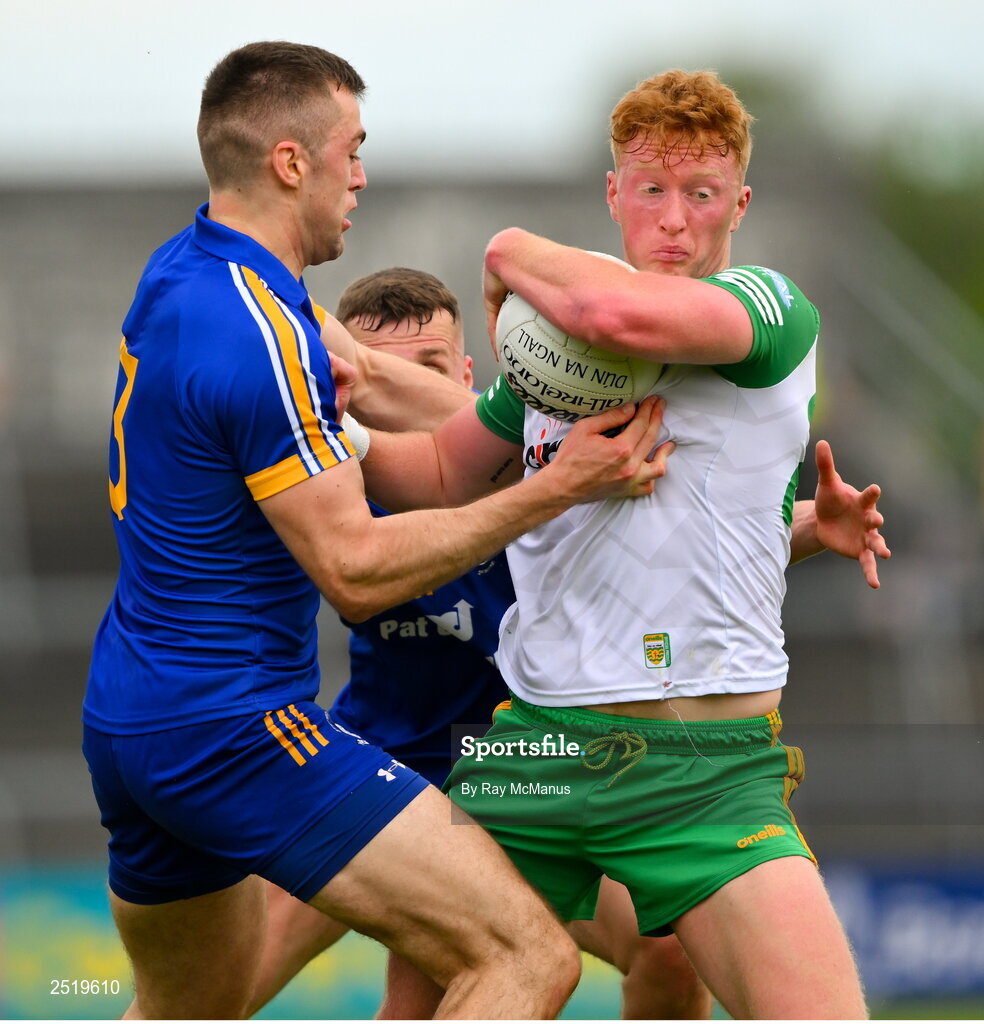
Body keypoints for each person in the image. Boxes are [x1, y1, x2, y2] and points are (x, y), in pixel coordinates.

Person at [81, 41, 673, 1021]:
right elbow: (354, 569)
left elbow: (426, 466)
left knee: (191, 1009)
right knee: (525, 959)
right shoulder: (264, 334)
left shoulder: (187, 280)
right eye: (350, 148)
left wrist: (544, 407)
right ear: (288, 162)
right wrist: (556, 487)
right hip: (236, 733)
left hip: (134, 719)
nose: (360, 174)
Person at [441, 70, 890, 1020]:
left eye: (701, 194)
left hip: (705, 770)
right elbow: (437, 476)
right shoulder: (548, 354)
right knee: (426, 1000)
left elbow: (618, 314)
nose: (675, 221)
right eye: (650, 190)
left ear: (740, 204)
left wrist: (505, 248)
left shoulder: (768, 307)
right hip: (540, 743)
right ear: (614, 196)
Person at [249, 267, 713, 1020]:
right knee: (213, 987)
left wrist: (800, 532)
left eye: (424, 368)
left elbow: (676, 549)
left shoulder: (549, 465)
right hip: (372, 756)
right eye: (377, 371)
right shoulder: (324, 483)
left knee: (667, 946)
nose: (396, 389)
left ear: (466, 376)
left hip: (509, 761)